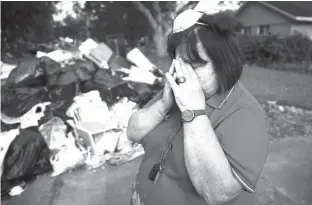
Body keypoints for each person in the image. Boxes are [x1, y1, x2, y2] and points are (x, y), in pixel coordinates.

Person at [127, 9, 269, 205]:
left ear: (224, 64)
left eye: (193, 65)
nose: (182, 75)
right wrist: (161, 106)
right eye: (178, 64)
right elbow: (133, 133)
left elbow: (217, 194)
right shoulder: (175, 91)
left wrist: (193, 113)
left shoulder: (247, 115)